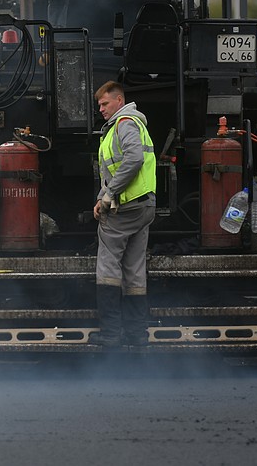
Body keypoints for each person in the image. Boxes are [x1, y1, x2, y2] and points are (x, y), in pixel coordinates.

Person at [92, 81, 156, 349]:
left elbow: (133, 159)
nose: (101, 109)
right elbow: (113, 169)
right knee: (134, 270)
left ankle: (110, 334)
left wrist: (109, 196)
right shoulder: (131, 124)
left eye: (105, 104)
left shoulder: (124, 123)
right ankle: (137, 335)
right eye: (99, 105)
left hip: (126, 207)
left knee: (108, 267)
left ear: (119, 101)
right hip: (143, 207)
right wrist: (102, 195)